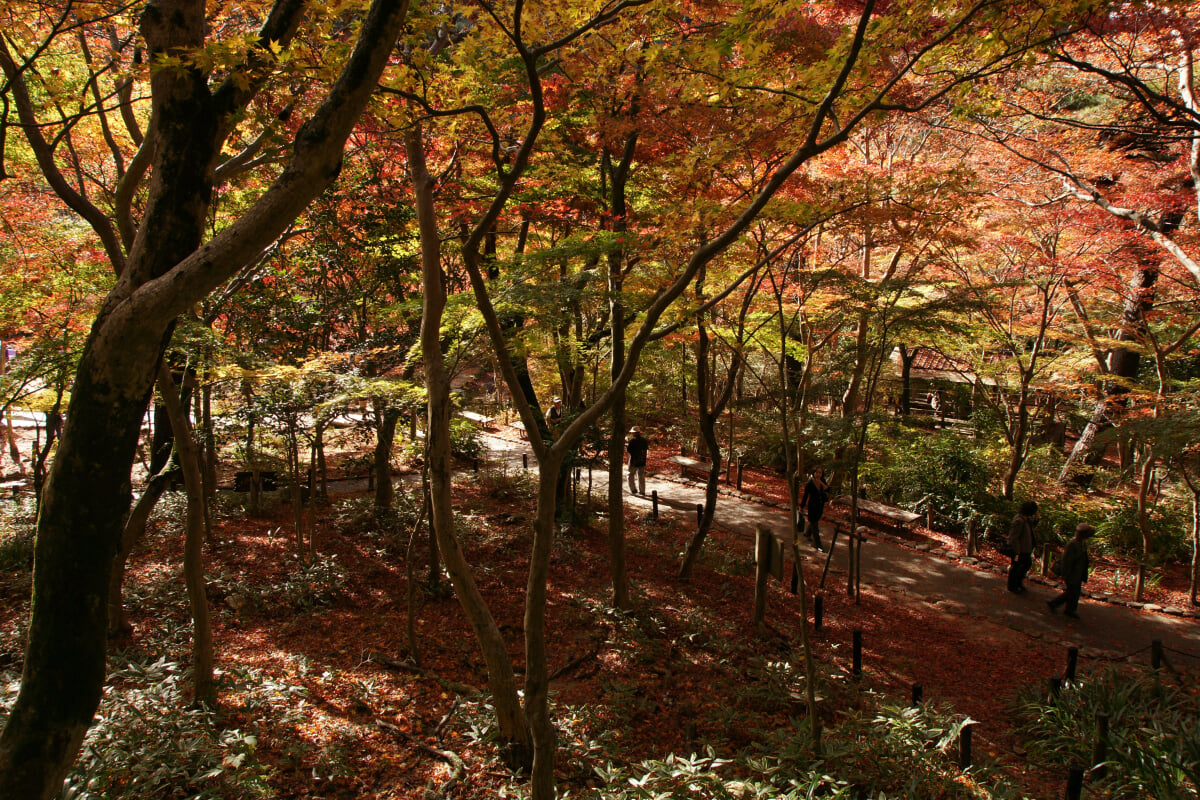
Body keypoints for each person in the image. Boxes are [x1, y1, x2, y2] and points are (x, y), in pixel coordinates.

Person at [1047, 523, 1096, 619]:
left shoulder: (1082, 543)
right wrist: (1065, 574)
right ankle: (1053, 603)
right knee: (1071, 592)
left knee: (1076, 592)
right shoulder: (1072, 545)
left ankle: (1070, 610)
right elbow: (1066, 561)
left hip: (1078, 573)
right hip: (1072, 574)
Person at [1006, 500, 1039, 593]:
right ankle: (1012, 586)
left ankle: (1018, 583)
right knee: (1015, 567)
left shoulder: (1026, 519)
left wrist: (1037, 517)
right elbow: (1013, 537)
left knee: (1025, 565)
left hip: (1026, 549)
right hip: (1020, 550)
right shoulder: (1019, 520)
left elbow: (1033, 526)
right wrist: (1017, 551)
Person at [800, 467, 830, 551]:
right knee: (815, 525)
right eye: (817, 472)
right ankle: (818, 545)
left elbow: (828, 489)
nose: (818, 474)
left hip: (820, 506)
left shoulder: (823, 481)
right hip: (812, 506)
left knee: (815, 521)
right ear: (814, 473)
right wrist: (801, 507)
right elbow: (805, 496)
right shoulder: (809, 484)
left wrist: (821, 483)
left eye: (820, 472)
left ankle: (807, 533)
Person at [626, 427, 648, 496]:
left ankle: (633, 490)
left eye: (632, 432)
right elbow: (645, 449)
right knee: (641, 475)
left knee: (630, 475)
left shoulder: (632, 441)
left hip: (633, 460)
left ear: (634, 433)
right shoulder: (644, 440)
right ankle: (642, 491)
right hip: (642, 460)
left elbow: (629, 450)